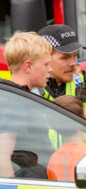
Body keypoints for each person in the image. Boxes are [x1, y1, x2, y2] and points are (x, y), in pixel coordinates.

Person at [0, 31, 53, 177]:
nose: (51, 69)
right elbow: (2, 158)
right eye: (46, 64)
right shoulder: (15, 102)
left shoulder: (18, 97)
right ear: (28, 67)